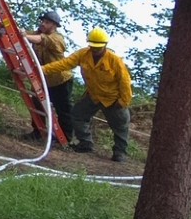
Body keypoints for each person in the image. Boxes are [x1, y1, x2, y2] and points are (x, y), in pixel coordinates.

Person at [40, 28, 134, 160]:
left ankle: (120, 152)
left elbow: (125, 81)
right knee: (78, 115)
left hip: (112, 98)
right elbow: (65, 63)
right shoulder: (83, 54)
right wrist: (43, 69)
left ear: (105, 45)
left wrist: (124, 101)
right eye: (93, 46)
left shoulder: (114, 60)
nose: (95, 50)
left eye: (98, 47)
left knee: (121, 125)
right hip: (93, 95)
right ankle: (85, 143)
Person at [23, 10, 73, 140]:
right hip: (42, 78)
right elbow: (28, 34)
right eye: (42, 21)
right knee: (36, 104)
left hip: (60, 80)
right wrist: (17, 32)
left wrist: (24, 35)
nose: (43, 24)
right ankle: (38, 131)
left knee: (63, 109)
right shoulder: (38, 34)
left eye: (47, 22)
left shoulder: (57, 38)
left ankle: (65, 137)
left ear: (54, 25)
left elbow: (42, 40)